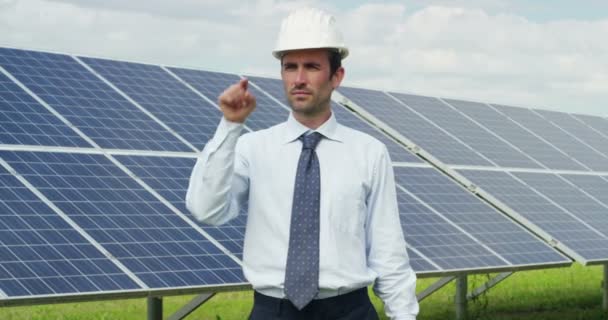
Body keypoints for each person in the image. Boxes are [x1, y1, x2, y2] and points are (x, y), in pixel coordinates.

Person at [186, 7, 418, 320]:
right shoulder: (251, 147)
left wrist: (403, 315)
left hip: (350, 311)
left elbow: (388, 249)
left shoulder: (369, 152)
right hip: (273, 311)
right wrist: (230, 126)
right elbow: (206, 210)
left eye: (311, 67)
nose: (298, 79)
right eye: (290, 66)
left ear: (337, 76)